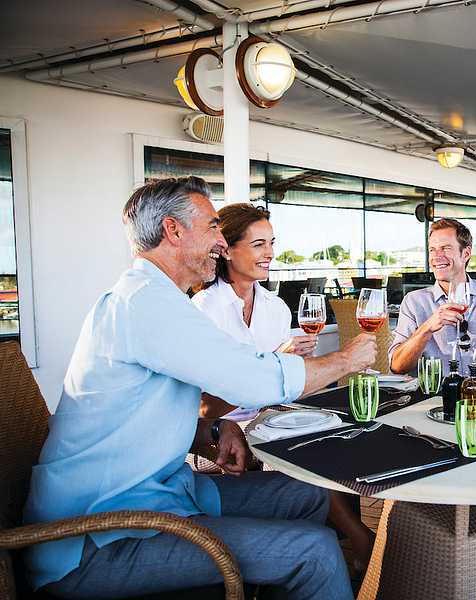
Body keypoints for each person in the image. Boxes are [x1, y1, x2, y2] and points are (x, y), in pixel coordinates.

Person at [24, 177, 376, 599]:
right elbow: (254, 379)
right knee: (314, 551)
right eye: (212, 227)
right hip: (98, 536)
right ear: (173, 230)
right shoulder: (145, 303)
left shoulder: (158, 300)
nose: (221, 242)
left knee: (309, 495)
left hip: (162, 495)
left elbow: (149, 414)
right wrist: (345, 360)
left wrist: (214, 428)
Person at [191, 203, 375, 572]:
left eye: (272, 243)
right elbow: (202, 406)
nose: (270, 253)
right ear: (227, 250)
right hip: (219, 426)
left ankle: (338, 540)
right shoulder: (203, 309)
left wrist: (302, 370)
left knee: (342, 434)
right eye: (258, 244)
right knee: (307, 450)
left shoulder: (275, 308)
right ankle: (358, 541)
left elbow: (286, 390)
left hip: (269, 415)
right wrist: (278, 360)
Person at [389, 218, 476, 376]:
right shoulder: (414, 301)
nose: (437, 256)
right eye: (432, 250)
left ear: (466, 253)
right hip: (438, 392)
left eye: (445, 248)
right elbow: (397, 366)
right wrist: (427, 328)